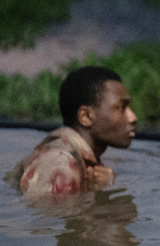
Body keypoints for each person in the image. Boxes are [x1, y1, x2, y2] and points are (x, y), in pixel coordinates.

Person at [6, 66, 137, 197]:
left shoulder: (81, 158)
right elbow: (47, 216)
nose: (133, 117)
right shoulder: (61, 163)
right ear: (85, 116)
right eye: (121, 107)